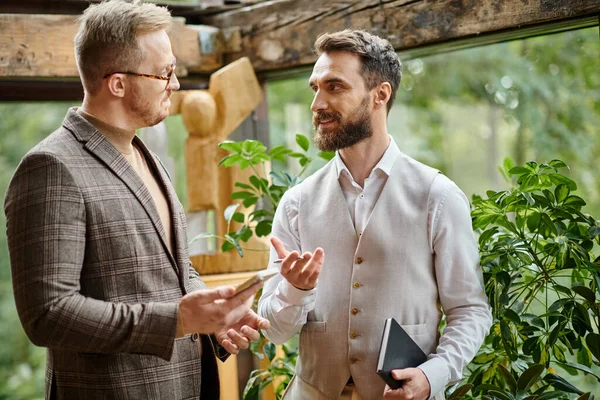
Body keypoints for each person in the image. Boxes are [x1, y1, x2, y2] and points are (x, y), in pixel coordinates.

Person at [3, 1, 269, 398]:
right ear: (118, 83)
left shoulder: (149, 157)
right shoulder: (51, 166)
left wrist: (213, 315)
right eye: (164, 73)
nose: (175, 85)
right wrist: (176, 321)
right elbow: (48, 315)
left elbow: (171, 269)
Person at [258, 29, 493, 400]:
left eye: (334, 87)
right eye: (314, 88)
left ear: (380, 94)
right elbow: (272, 329)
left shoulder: (439, 197)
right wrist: (295, 290)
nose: (317, 103)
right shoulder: (295, 203)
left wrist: (433, 376)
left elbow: (469, 311)